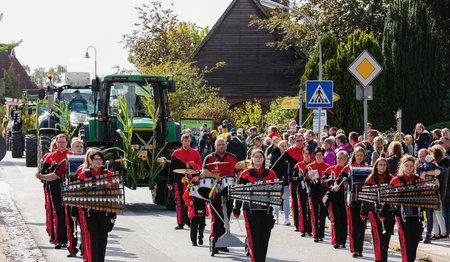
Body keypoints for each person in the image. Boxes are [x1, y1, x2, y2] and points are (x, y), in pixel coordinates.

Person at [233, 149, 278, 262]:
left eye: (260, 157)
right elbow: (240, 192)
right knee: (254, 238)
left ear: (264, 159)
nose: (258, 158)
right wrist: (236, 207)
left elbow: (277, 191)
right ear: (252, 159)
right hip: (250, 210)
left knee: (264, 238)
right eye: (256, 156)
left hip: (266, 210)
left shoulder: (271, 173)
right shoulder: (245, 174)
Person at [202, 138, 239, 253]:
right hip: (215, 190)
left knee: (226, 216)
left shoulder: (233, 158)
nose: (221, 146)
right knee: (216, 217)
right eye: (219, 144)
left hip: (229, 190)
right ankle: (215, 241)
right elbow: (204, 172)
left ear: (226, 146)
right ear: (215, 146)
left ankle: (224, 242)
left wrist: (239, 177)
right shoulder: (209, 158)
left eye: (223, 144)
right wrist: (215, 176)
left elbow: (238, 171)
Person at [77, 151, 115, 262]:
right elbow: (80, 191)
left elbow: (114, 191)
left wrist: (113, 214)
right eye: (96, 159)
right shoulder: (84, 174)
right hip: (90, 212)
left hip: (104, 211)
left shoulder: (108, 174)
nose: (98, 161)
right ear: (91, 161)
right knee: (93, 239)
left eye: (100, 159)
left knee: (103, 240)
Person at [36, 134, 70, 249]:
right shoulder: (50, 157)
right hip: (54, 187)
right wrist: (53, 172)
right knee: (58, 214)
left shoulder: (71, 155)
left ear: (66, 143)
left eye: (63, 142)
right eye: (59, 142)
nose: (61, 144)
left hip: (69, 188)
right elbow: (43, 172)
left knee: (68, 215)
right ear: (56, 144)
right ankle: (59, 239)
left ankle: (68, 240)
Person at [360, 158, 395, 262]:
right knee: (377, 235)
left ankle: (384, 258)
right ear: (376, 166)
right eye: (380, 164)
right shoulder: (370, 179)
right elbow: (365, 197)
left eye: (384, 165)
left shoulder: (392, 179)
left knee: (387, 235)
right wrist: (363, 212)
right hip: (373, 210)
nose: (382, 167)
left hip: (388, 211)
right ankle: (378, 258)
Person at [390, 155, 424, 262]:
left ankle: (411, 260)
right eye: (407, 166)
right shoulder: (396, 180)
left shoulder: (419, 179)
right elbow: (389, 197)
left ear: (414, 167)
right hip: (402, 214)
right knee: (406, 240)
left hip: (416, 214)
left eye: (411, 166)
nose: (409, 168)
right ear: (402, 166)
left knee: (415, 240)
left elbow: (427, 195)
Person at [337, 146, 367, 258]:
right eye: (357, 155)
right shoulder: (347, 168)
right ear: (354, 156)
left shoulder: (367, 167)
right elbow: (338, 180)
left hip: (364, 200)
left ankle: (360, 249)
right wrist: (336, 185)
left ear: (363, 156)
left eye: (361, 155)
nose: (359, 157)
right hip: (351, 200)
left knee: (362, 226)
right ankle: (355, 249)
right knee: (354, 225)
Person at [167, 134, 203, 230]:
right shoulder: (176, 153)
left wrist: (192, 164)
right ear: (182, 141)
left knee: (190, 201)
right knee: (179, 201)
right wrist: (169, 183)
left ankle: (190, 221)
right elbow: (171, 169)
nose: (187, 142)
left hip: (191, 181)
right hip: (178, 180)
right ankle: (180, 223)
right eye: (185, 141)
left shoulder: (195, 153)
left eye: (188, 141)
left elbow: (200, 166)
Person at [272, 133, 306, 231]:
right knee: (294, 202)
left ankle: (305, 224)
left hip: (305, 180)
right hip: (294, 180)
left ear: (303, 140)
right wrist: (270, 172)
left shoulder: (307, 151)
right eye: (297, 141)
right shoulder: (290, 151)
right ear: (294, 141)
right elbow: (278, 162)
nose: (299, 143)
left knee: (305, 203)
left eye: (301, 140)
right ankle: (297, 224)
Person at [322, 151, 349, 249]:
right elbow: (323, 181)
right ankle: (336, 241)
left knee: (344, 219)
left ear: (346, 160)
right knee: (335, 219)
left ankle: (343, 241)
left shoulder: (348, 170)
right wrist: (331, 182)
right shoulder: (330, 169)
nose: (339, 160)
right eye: (338, 158)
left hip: (345, 197)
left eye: (341, 158)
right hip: (333, 197)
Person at [305, 148, 330, 242]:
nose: (318, 157)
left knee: (322, 215)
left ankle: (321, 234)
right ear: (314, 156)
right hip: (313, 192)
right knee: (314, 213)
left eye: (320, 155)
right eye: (317, 155)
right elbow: (305, 178)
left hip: (323, 192)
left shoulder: (327, 166)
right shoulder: (310, 166)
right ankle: (315, 235)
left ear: (323, 156)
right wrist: (308, 176)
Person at [65, 138, 84, 257]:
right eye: (77, 146)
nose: (79, 148)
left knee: (83, 225)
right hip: (70, 195)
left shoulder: (87, 162)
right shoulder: (67, 161)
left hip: (82, 198)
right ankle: (72, 248)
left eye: (81, 147)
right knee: (71, 225)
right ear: (72, 148)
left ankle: (84, 248)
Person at [428, 146, 448, 240]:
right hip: (439, 190)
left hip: (438, 191)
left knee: (437, 212)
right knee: (435, 212)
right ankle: (437, 233)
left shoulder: (441, 165)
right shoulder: (445, 163)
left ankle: (442, 232)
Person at [293, 147, 314, 236]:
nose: (307, 155)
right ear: (303, 154)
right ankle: (302, 229)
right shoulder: (298, 165)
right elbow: (293, 178)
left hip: (310, 190)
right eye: (305, 153)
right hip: (301, 189)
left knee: (310, 210)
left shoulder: (313, 165)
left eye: (308, 154)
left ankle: (309, 230)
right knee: (302, 209)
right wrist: (299, 178)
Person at [42, 139, 57, 245]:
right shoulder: (49, 157)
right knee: (51, 210)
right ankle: (52, 232)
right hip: (50, 185)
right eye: (56, 147)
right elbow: (43, 173)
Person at [271, 140, 290, 225]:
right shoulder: (275, 155)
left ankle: (286, 218)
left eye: (285, 145)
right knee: (277, 199)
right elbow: (273, 167)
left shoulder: (289, 155)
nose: (284, 147)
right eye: (282, 146)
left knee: (286, 199)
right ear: (279, 147)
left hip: (286, 181)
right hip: (277, 180)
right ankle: (276, 217)